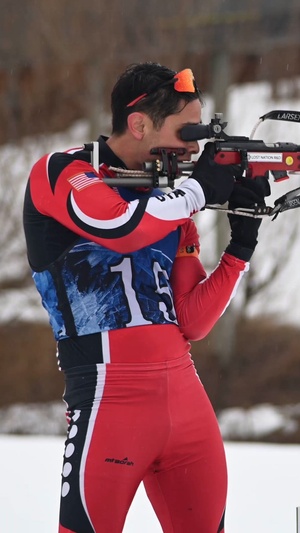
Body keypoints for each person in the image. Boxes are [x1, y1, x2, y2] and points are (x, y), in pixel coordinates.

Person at [23, 62, 269, 533]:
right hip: (107, 398)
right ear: (138, 124)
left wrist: (240, 247)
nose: (194, 150)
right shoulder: (62, 170)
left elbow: (192, 321)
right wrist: (196, 193)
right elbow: (118, 226)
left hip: (187, 399)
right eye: (186, 132)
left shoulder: (172, 200)